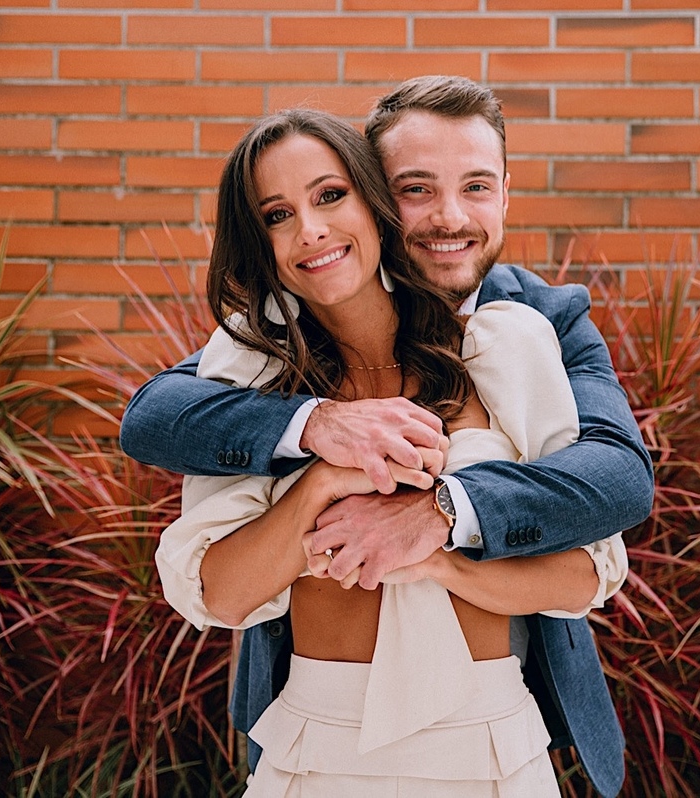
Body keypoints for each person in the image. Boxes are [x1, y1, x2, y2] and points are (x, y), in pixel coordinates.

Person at [121, 76, 653, 798]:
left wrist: (438, 525)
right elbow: (156, 419)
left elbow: (616, 486)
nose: (448, 217)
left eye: (475, 186)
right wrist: (322, 449)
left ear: (504, 192)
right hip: (317, 741)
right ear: (379, 193)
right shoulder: (260, 357)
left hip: (496, 741)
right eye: (416, 189)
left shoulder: (527, 330)